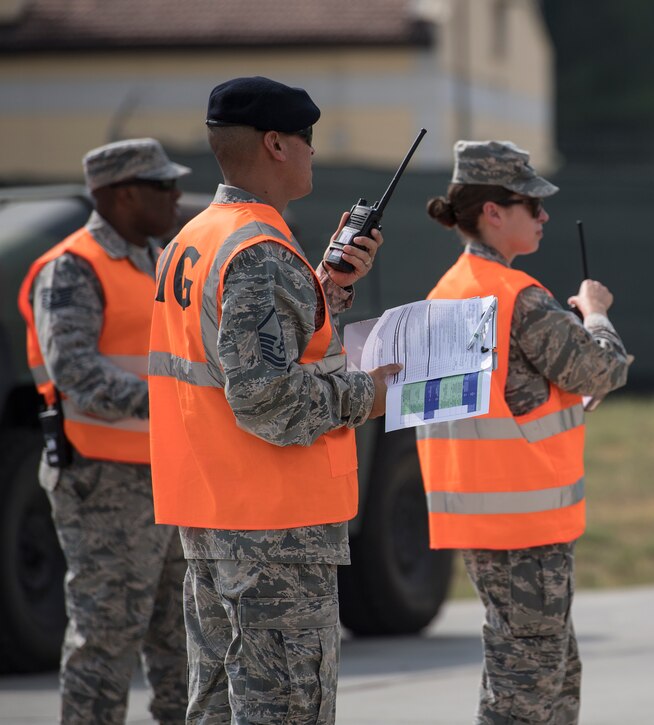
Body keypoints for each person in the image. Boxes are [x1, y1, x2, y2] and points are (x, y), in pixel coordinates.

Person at [147, 76, 400, 723]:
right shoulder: (260, 249)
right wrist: (363, 394)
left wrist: (326, 287)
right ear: (275, 145)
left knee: (215, 707)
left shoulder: (194, 238)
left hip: (211, 519)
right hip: (273, 532)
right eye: (307, 138)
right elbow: (266, 397)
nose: (314, 152)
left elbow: (246, 353)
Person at [417, 140, 630, 724]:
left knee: (540, 674)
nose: (544, 215)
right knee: (529, 691)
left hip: (481, 516)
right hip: (525, 522)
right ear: (492, 212)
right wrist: (597, 314)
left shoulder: (444, 295)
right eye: (531, 205)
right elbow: (601, 369)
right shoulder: (517, 297)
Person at [17, 138, 191, 724]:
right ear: (123, 194)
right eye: (164, 187)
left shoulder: (159, 258)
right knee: (107, 640)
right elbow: (78, 376)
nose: (176, 196)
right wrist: (183, 403)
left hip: (168, 477)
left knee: (184, 642)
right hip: (104, 484)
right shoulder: (72, 268)